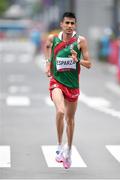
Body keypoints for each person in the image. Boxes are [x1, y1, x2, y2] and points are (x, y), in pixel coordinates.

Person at [44, 12, 91, 169]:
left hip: (72, 85)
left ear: (75, 25)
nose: (70, 26)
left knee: (70, 120)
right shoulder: (53, 38)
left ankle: (69, 150)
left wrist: (77, 60)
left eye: (72, 23)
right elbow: (47, 47)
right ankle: (59, 147)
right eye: (67, 23)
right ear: (61, 24)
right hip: (57, 81)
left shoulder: (80, 41)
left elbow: (89, 63)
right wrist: (47, 64)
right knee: (60, 112)